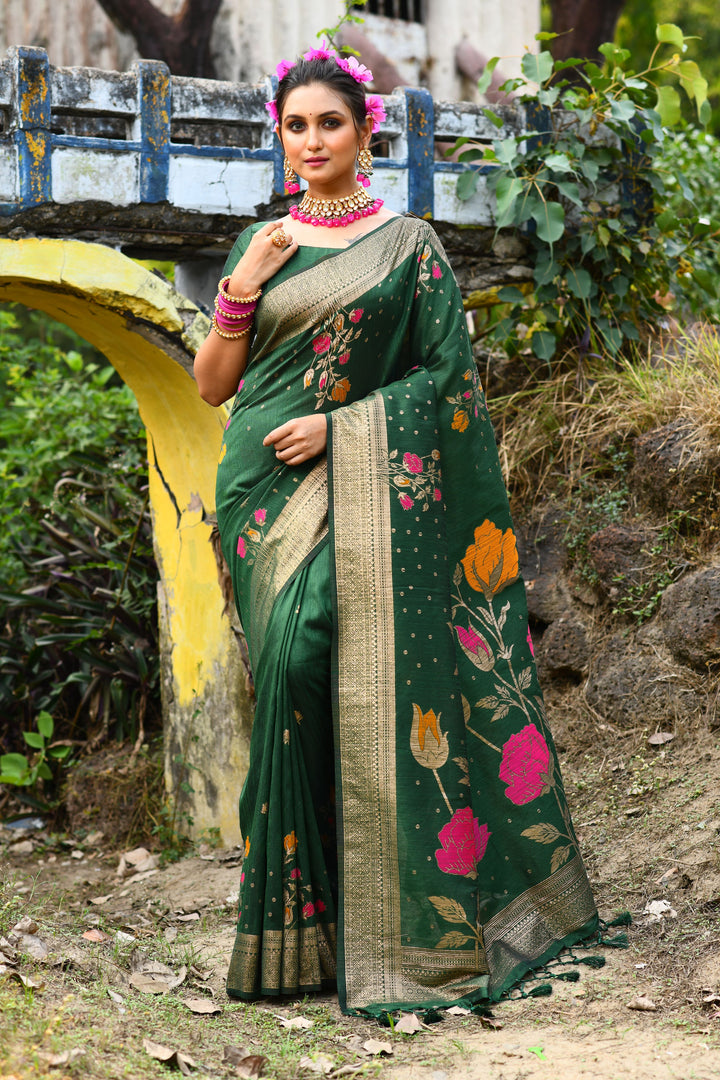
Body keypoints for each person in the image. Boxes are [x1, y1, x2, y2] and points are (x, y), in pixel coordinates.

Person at [194, 45, 598, 1019]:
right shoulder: (266, 243)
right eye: (295, 126)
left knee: (344, 657)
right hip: (262, 496)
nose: (312, 141)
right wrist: (243, 280)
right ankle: (301, 926)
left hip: (365, 481)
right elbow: (212, 384)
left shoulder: (407, 244)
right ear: (279, 136)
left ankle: (398, 920)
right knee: (290, 672)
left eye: (329, 122)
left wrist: (341, 430)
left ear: (364, 130)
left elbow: (445, 384)